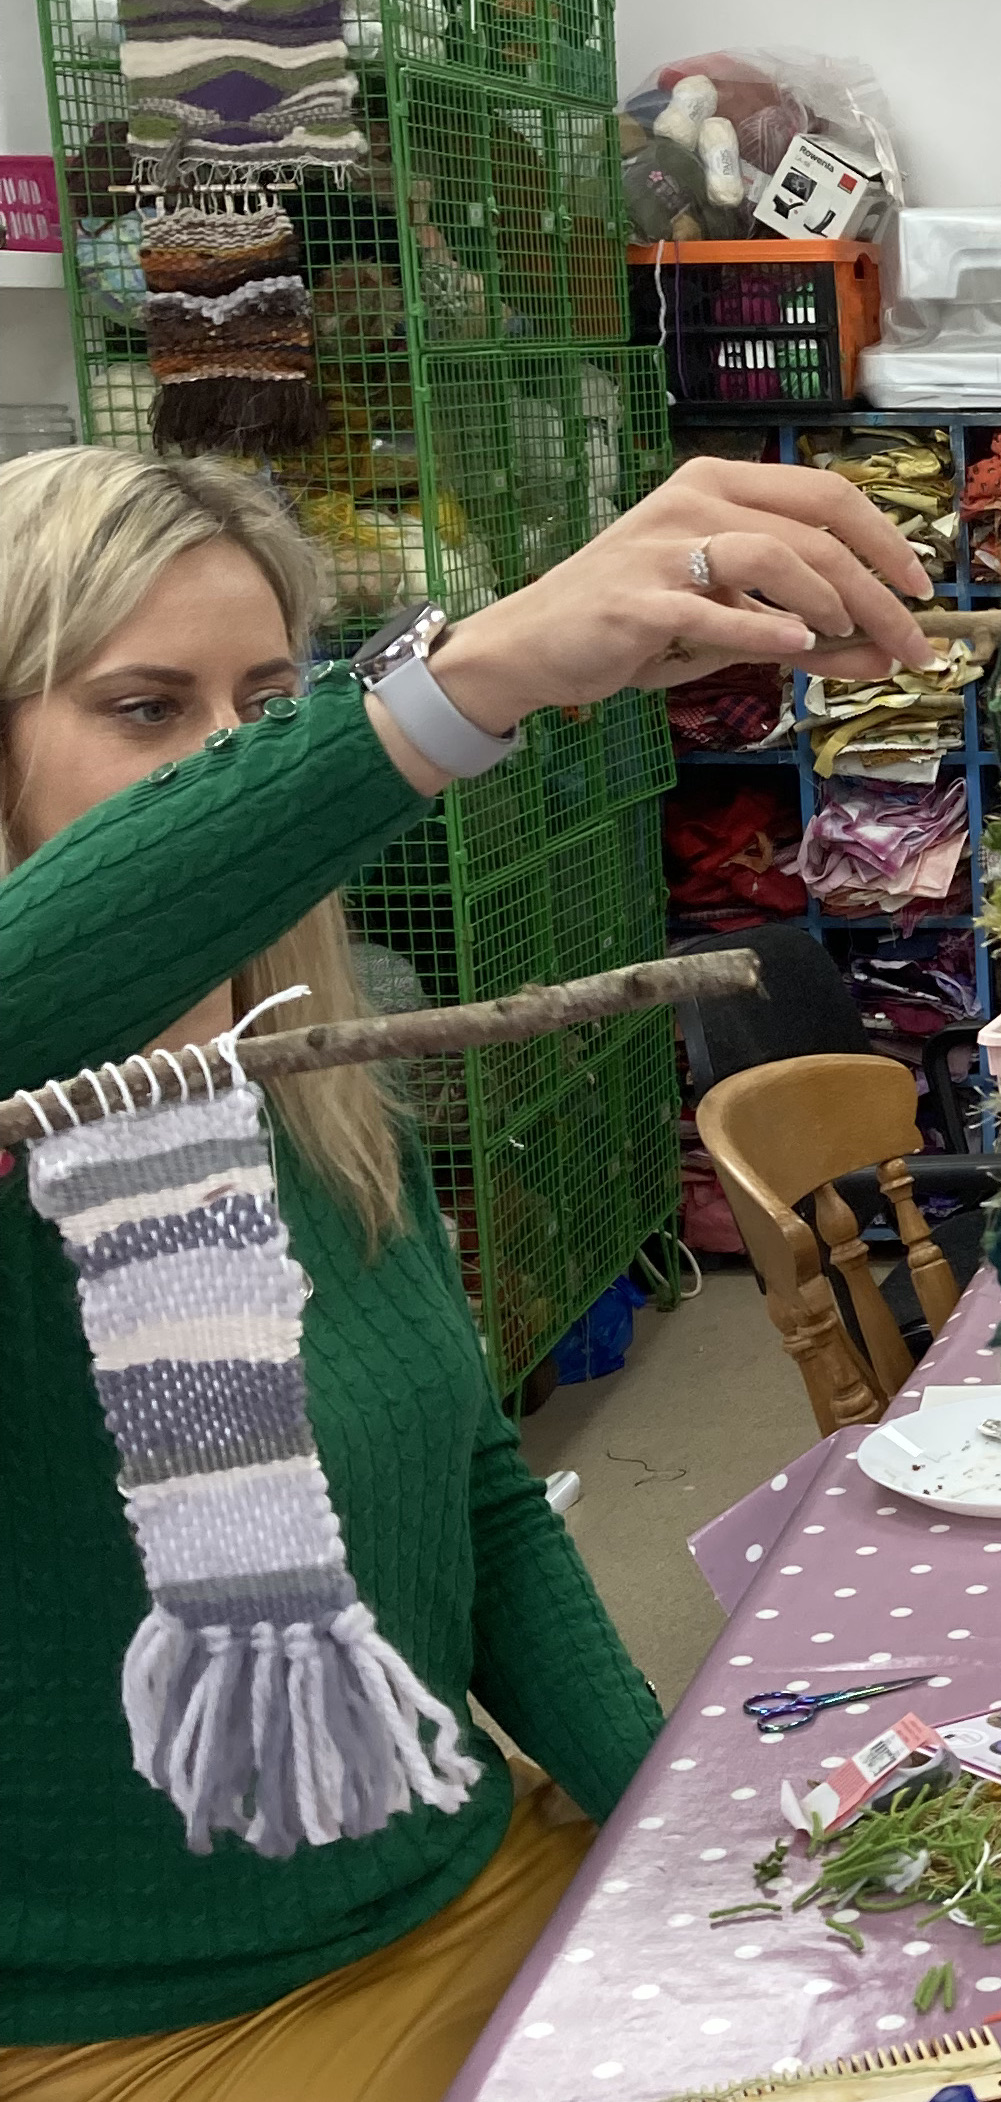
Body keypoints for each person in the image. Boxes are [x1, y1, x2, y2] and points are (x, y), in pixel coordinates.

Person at [0, 445, 934, 2100]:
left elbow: (479, 1500)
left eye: (267, 701)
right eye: (146, 708)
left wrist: (692, 1832)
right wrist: (458, 682)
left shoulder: (311, 1082)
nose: (226, 759)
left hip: (468, 1882)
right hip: (142, 2035)